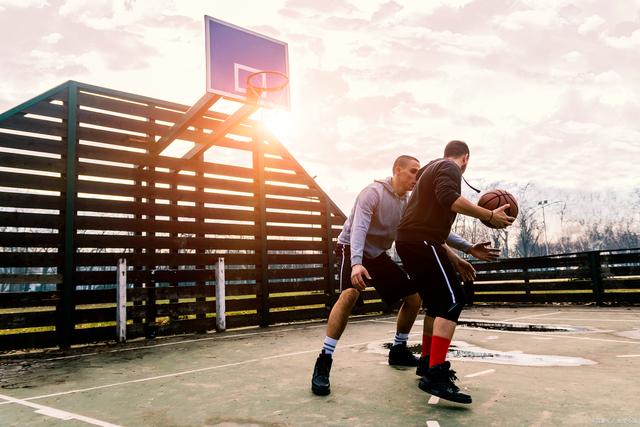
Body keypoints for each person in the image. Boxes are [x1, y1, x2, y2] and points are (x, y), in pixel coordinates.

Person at [311, 155, 499, 396]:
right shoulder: (373, 193)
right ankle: (324, 360)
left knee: (414, 297)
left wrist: (467, 248)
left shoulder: (408, 202)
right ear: (397, 170)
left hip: (378, 254)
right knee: (349, 294)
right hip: (352, 248)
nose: (416, 177)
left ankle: (398, 350)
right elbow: (358, 228)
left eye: (419, 172)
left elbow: (432, 232)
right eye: (412, 171)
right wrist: (356, 264)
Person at [396, 140, 514, 404]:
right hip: (420, 241)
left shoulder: (431, 169)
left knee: (438, 304)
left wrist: (463, 255)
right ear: (466, 158)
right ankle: (435, 374)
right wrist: (489, 215)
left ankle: (427, 363)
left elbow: (434, 226)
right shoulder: (450, 168)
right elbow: (449, 200)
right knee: (453, 301)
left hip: (413, 241)